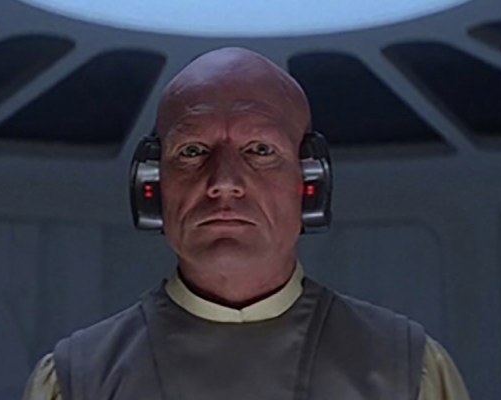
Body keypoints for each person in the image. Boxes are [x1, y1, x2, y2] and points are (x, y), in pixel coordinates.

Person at [23, 47, 470, 400]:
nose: (224, 182)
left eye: (260, 150)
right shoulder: (76, 380)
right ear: (152, 185)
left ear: (311, 181)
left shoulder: (406, 369)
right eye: (193, 151)